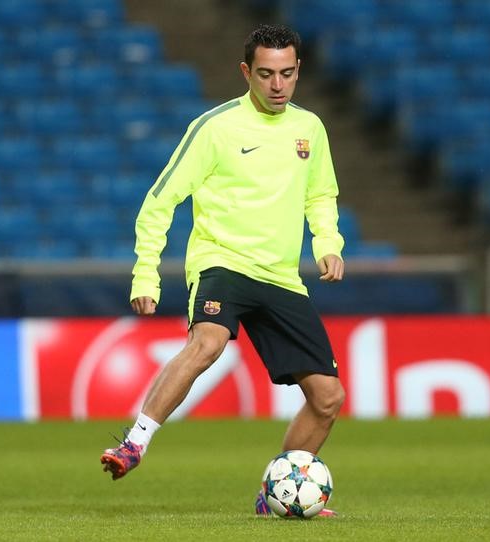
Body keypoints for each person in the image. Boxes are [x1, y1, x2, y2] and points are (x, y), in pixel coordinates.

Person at [100, 23, 346, 516]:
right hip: (223, 261)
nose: (278, 85)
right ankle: (136, 441)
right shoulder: (214, 128)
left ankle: (275, 493)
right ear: (245, 73)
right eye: (266, 74)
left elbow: (320, 195)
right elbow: (159, 201)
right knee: (208, 341)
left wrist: (327, 243)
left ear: (299, 71)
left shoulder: (310, 129)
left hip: (280, 275)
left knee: (328, 397)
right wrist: (144, 274)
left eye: (287, 74)